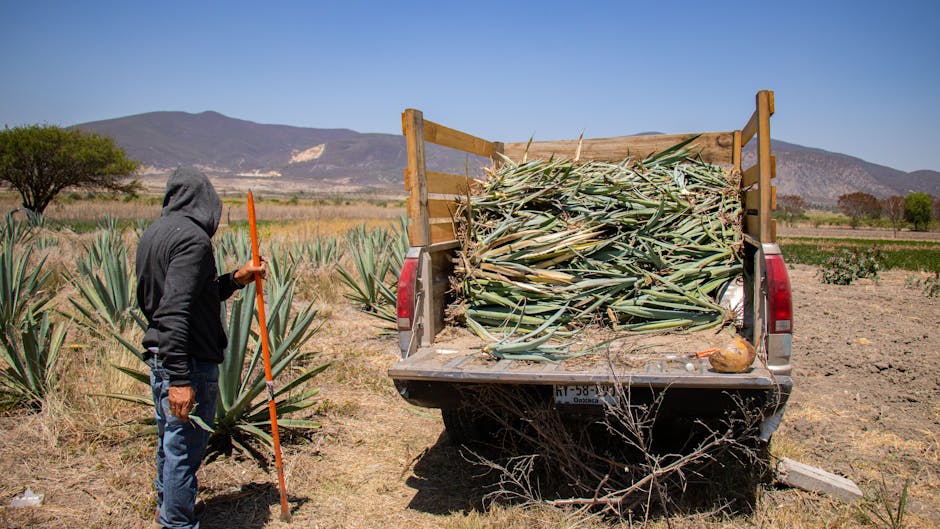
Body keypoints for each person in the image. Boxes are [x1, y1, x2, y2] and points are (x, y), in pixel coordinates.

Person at [136, 167, 265, 529]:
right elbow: (175, 311)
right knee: (184, 450)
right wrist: (180, 378)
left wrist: (235, 280)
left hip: (165, 355)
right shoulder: (192, 241)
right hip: (187, 360)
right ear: (204, 202)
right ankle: (177, 522)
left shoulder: (155, 234)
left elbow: (193, 298)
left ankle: (168, 507)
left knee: (169, 442)